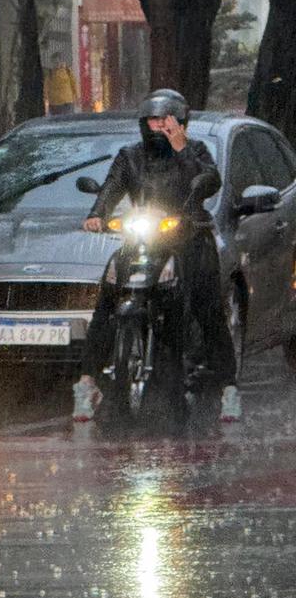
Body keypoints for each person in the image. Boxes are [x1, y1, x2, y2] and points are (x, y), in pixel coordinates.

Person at [72, 89, 241, 423]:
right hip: (141, 236)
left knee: (209, 309)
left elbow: (209, 181)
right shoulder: (130, 156)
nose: (159, 126)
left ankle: (228, 388)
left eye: (167, 120)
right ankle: (87, 382)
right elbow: (112, 187)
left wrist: (182, 152)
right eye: (153, 120)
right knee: (106, 299)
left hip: (188, 237)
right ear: (142, 123)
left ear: (181, 124)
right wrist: (97, 214)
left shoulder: (195, 151)